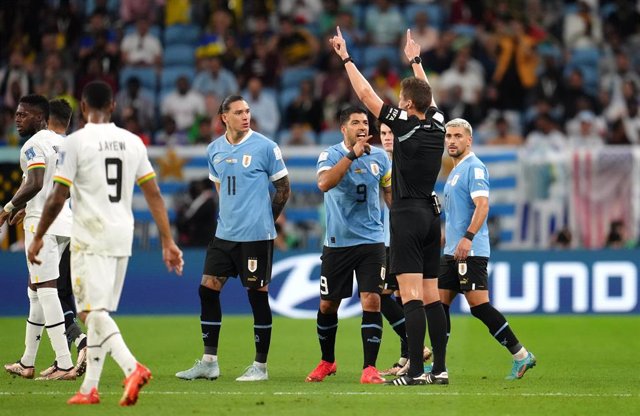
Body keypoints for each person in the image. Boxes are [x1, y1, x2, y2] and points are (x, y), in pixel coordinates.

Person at [26, 81, 184, 406]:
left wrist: (39, 234)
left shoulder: (75, 143)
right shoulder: (133, 142)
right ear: (113, 106)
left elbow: (57, 196)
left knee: (89, 312)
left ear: (83, 108)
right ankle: (89, 389)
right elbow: (153, 193)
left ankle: (131, 366)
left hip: (90, 235)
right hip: (122, 235)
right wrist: (168, 240)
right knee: (100, 312)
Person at [330, 27, 448, 385]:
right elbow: (427, 96)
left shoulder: (405, 127)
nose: (397, 102)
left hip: (408, 214)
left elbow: (366, 94)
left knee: (410, 296)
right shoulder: (439, 125)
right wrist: (415, 61)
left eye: (401, 98)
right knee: (431, 297)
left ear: (407, 105)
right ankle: (439, 370)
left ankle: (413, 370)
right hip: (431, 215)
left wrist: (346, 58)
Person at [176, 95, 290, 382]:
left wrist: (266, 218)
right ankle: (209, 362)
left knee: (257, 296)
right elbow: (220, 189)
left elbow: (283, 189)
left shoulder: (266, 147)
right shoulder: (214, 150)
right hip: (224, 234)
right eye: (239, 112)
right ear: (224, 117)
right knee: (207, 289)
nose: (245, 116)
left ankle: (260, 367)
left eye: (248, 111)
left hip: (256, 235)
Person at [440, 118, 536, 380]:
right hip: (452, 250)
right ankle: (438, 365)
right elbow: (456, 215)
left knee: (479, 306)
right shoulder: (454, 171)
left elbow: (483, 206)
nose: (452, 141)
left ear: (469, 140)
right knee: (439, 304)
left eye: (458, 136)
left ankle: (521, 354)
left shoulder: (475, 168)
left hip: (469, 251)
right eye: (448, 136)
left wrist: (468, 237)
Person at [305, 107, 391, 385]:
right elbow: (324, 183)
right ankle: (327, 361)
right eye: (356, 122)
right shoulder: (330, 155)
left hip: (372, 241)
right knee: (328, 304)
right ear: (344, 129)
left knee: (372, 299)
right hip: (338, 243)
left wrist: (405, 224)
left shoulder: (381, 157)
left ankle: (369, 368)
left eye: (365, 122)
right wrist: (351, 154)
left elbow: (390, 194)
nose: (362, 126)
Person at [1, 95, 77, 381]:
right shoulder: (62, 143)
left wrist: (8, 209)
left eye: (24, 115)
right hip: (63, 223)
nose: (18, 119)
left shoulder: (33, 145)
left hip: (41, 226)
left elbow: (34, 182)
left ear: (40, 117)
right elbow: (64, 188)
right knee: (35, 290)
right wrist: (30, 205)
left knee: (45, 289)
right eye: (17, 114)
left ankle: (64, 363)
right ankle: (27, 361)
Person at [376, 122, 432, 377]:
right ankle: (407, 356)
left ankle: (416, 348)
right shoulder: (375, 159)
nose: (388, 138)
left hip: (397, 238)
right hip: (383, 237)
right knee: (397, 295)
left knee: (386, 293)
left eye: (392, 133)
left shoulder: (404, 160)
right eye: (384, 134)